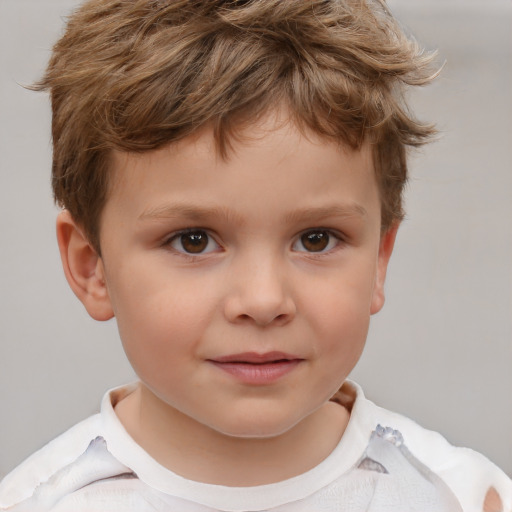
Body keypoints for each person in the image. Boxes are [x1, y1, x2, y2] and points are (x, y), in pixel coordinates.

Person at [0, 0, 510, 510]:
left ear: (379, 259)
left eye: (316, 239)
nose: (264, 301)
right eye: (194, 240)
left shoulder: (461, 498)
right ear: (93, 267)